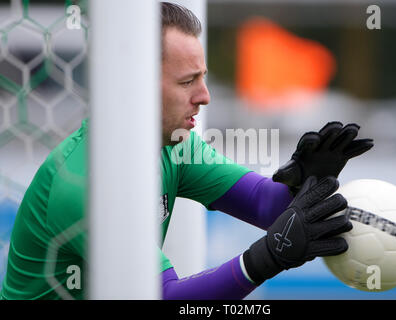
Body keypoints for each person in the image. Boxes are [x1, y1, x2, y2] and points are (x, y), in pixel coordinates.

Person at [0, 2, 373, 300]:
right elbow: (165, 298)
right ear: (134, 84)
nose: (205, 96)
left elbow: (265, 205)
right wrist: (265, 259)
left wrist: (307, 184)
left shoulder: (176, 144)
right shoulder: (85, 186)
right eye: (187, 81)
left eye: (203, 77)